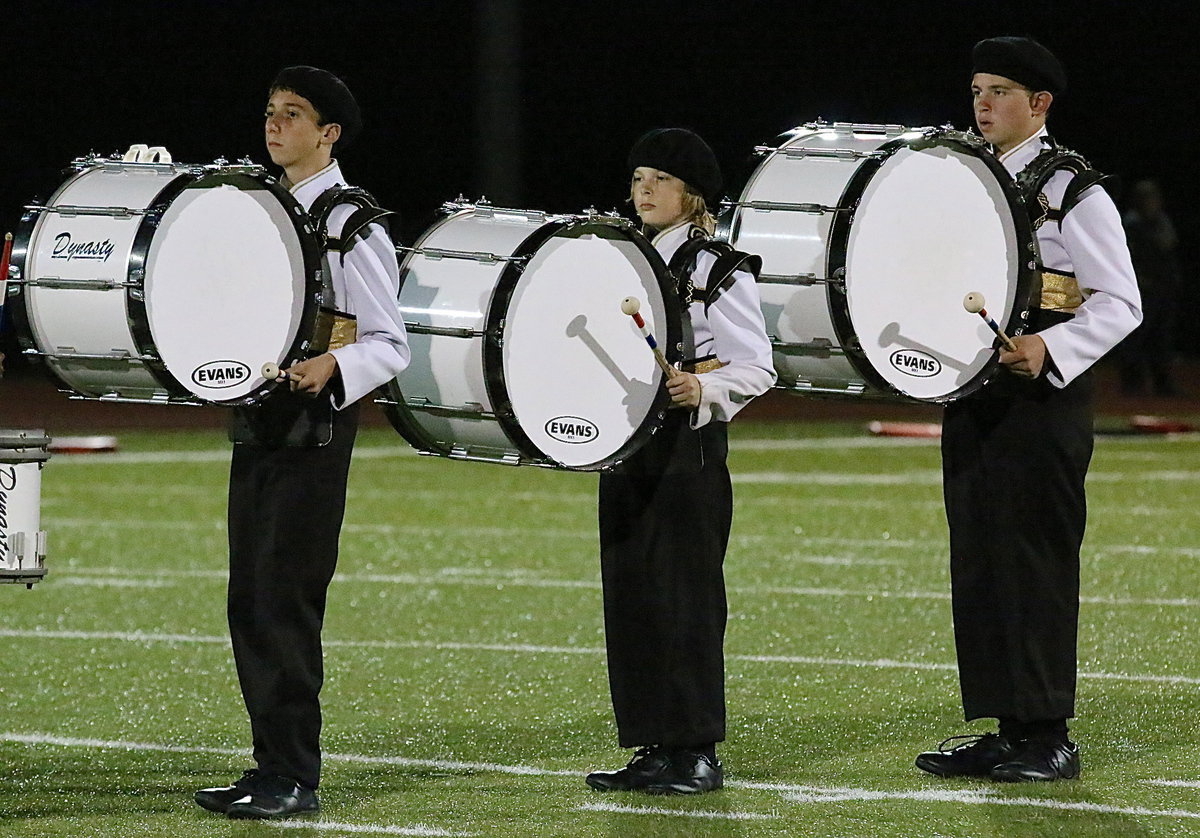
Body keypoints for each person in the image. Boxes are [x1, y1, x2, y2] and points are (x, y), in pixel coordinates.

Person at [916, 37, 1141, 783]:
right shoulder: (966, 182)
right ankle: (1005, 726)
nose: (982, 104)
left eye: (1000, 91)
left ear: (1039, 103)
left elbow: (1122, 304)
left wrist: (1052, 351)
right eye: (977, 90)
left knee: (1034, 561)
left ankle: (1049, 734)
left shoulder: (1076, 189)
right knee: (979, 558)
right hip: (975, 387)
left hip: (1042, 396)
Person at [194, 66, 409, 819]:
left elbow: (391, 342)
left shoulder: (352, 223)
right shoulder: (266, 211)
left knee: (284, 602)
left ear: (329, 133)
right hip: (260, 420)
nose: (275, 125)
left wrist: (334, 365)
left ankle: (293, 775)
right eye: (269, 112)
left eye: (293, 115)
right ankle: (269, 766)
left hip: (314, 430)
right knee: (249, 599)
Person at [585, 128, 775, 795]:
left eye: (660, 179)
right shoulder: (618, 259)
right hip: (624, 449)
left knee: (686, 603)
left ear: (692, 195)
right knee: (632, 598)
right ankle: (651, 745)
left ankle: (695, 750)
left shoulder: (717, 266)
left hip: (687, 454)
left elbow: (757, 365)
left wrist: (704, 388)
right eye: (639, 177)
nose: (644, 190)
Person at [1119, 179, 1181, 396]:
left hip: (1162, 288)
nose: (1152, 203)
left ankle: (1162, 382)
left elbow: (1169, 248)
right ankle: (1132, 383)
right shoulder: (1131, 224)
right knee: (1137, 336)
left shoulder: (1161, 221)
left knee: (1162, 337)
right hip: (1142, 288)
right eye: (1147, 198)